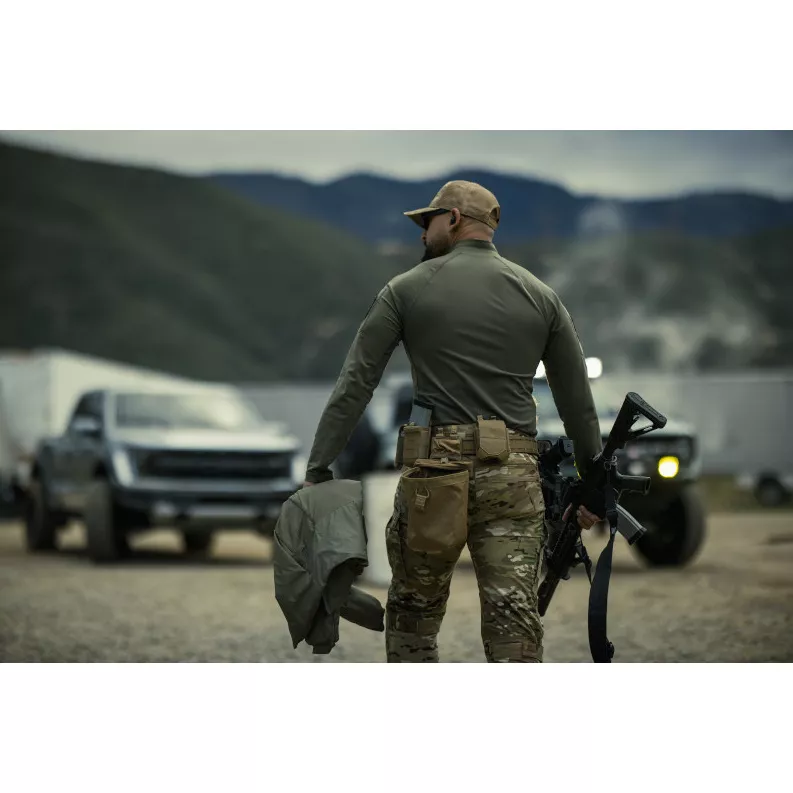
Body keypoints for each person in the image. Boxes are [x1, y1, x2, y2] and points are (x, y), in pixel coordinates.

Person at [302, 179, 602, 662]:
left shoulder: (405, 289)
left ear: (455, 219)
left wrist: (318, 468)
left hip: (434, 476)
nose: (423, 234)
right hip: (513, 477)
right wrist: (591, 483)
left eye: (429, 222)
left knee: (414, 616)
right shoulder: (541, 296)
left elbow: (355, 385)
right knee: (514, 619)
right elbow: (577, 403)